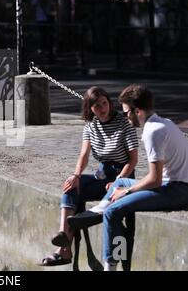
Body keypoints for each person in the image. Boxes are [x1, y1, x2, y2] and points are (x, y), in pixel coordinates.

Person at [70, 84, 188, 271]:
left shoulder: (152, 132)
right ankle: (99, 209)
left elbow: (155, 180)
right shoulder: (164, 122)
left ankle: (111, 266)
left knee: (113, 212)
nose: (125, 116)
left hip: (178, 190)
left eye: (126, 112)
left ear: (137, 111)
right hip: (174, 184)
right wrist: (124, 187)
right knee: (121, 182)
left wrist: (127, 191)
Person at [39, 86, 139, 266]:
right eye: (97, 106)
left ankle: (64, 250)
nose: (102, 108)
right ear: (89, 108)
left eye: (104, 103)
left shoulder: (124, 124)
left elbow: (132, 160)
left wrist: (119, 181)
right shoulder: (90, 126)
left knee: (113, 214)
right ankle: (64, 236)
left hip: (123, 177)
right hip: (103, 176)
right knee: (72, 185)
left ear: (109, 102)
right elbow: (84, 155)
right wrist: (76, 175)